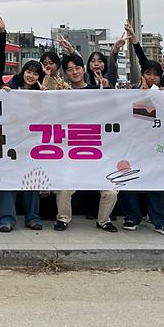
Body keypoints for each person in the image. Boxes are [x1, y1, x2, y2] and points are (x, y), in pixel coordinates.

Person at [55, 54, 120, 233]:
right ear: (65, 73)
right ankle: (63, 218)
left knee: (111, 191)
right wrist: (54, 94)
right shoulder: (62, 93)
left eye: (77, 68)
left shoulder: (96, 90)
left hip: (96, 150)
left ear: (84, 69)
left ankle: (103, 220)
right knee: (64, 187)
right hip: (71, 150)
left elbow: (116, 107)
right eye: (69, 69)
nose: (74, 72)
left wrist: (107, 90)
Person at [120, 61, 164, 237]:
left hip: (155, 146)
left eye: (156, 74)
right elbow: (132, 117)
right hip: (132, 144)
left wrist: (154, 95)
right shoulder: (130, 92)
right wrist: (142, 95)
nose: (152, 78)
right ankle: (132, 217)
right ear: (142, 74)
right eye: (148, 73)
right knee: (129, 180)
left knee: (155, 182)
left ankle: (160, 221)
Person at [0, 62, 45, 232]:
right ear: (22, 72)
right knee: (8, 180)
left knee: (33, 179)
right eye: (28, 72)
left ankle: (32, 217)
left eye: (36, 74)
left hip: (32, 143)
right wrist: (3, 93)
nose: (31, 76)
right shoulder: (9, 87)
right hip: (10, 142)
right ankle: (7, 219)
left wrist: (47, 97)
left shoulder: (42, 92)